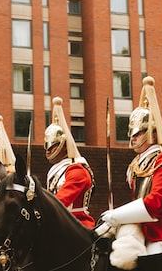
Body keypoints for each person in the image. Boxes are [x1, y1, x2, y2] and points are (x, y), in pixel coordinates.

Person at [99, 76, 162, 259]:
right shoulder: (137, 163)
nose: (133, 138)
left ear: (154, 133)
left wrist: (116, 216)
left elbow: (156, 203)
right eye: (132, 134)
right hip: (139, 228)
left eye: (138, 133)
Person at [44, 96, 96, 229]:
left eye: (53, 146)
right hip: (59, 223)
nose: (49, 151)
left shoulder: (77, 170)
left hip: (77, 225)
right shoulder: (57, 170)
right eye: (47, 146)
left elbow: (61, 201)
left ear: (64, 145)